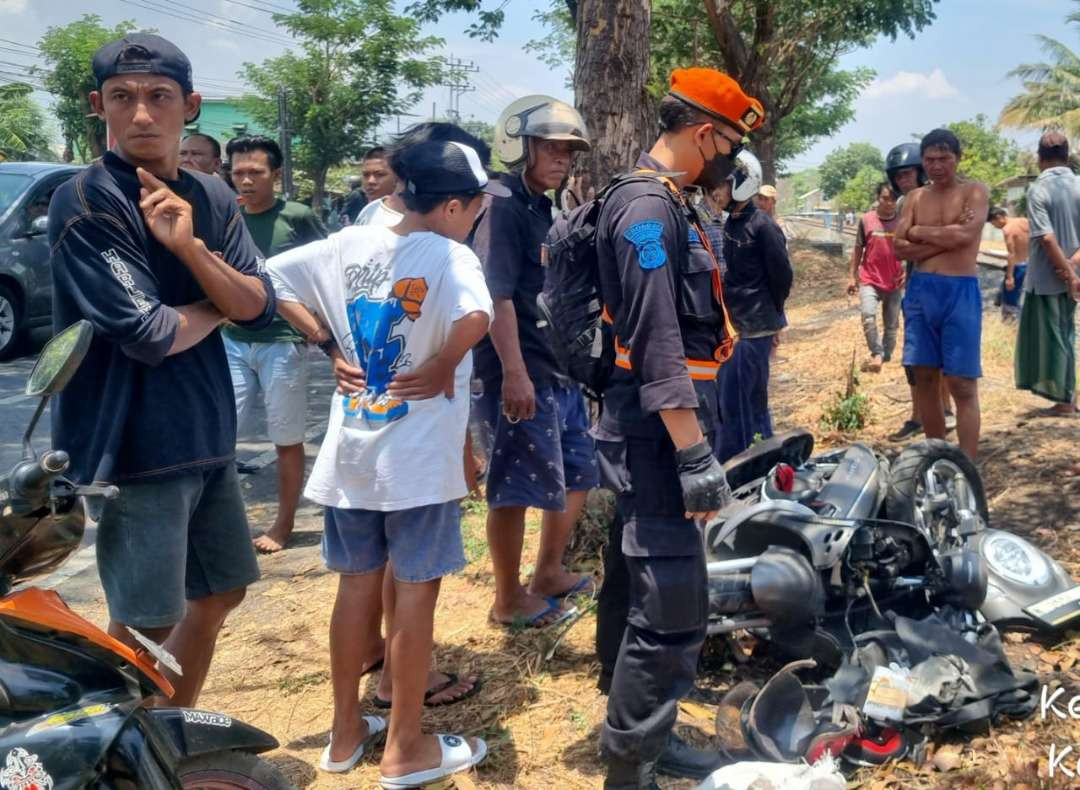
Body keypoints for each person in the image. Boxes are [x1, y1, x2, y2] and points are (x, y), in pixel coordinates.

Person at [48, 34, 276, 706]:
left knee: (219, 592)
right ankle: (121, 755)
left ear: (191, 106)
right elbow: (151, 334)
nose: (142, 113)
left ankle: (168, 730)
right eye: (123, 98)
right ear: (99, 107)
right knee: (146, 620)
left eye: (159, 97)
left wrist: (192, 250)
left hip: (207, 431)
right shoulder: (87, 201)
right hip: (133, 443)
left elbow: (262, 310)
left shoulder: (211, 194)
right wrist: (221, 298)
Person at [267, 140, 500, 784]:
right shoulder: (451, 255)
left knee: (355, 588)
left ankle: (344, 735)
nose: (478, 216)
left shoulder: (349, 243)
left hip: (353, 452)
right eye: (476, 205)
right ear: (453, 205)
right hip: (417, 460)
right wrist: (442, 365)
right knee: (416, 596)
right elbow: (477, 315)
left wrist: (324, 343)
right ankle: (405, 747)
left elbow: (270, 277)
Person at [593, 67, 757, 788]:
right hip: (658, 433)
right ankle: (631, 766)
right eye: (728, 142)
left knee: (637, 587)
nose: (732, 158)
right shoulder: (647, 212)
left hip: (657, 426)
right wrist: (694, 453)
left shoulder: (670, 204)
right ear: (702, 132)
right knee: (671, 605)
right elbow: (657, 338)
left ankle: (644, 738)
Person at [337, 120, 492, 709]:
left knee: (371, 566)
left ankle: (372, 687)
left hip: (379, 423)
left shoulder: (376, 222)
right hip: (414, 423)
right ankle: (400, 688)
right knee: (412, 570)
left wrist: (331, 350)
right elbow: (466, 322)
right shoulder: (433, 239)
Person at [468, 96, 598, 629]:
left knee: (579, 472)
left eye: (568, 150)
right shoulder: (498, 204)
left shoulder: (540, 206)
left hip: (556, 368)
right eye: (550, 147)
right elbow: (495, 296)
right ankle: (506, 597)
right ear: (517, 145)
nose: (562, 158)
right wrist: (514, 373)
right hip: (516, 372)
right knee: (515, 490)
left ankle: (547, 572)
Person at [222, 135, 328, 553]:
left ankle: (283, 525)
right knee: (218, 434)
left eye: (256, 172)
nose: (246, 180)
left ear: (276, 175)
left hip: (283, 342)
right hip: (231, 341)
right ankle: (223, 525)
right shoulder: (223, 214)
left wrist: (317, 326)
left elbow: (324, 269)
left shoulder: (297, 217)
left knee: (286, 437)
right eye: (239, 172)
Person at [895, 129, 989, 459]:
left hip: (960, 292)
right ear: (923, 161)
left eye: (944, 158)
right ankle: (938, 458)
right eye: (930, 159)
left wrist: (918, 232)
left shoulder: (974, 192)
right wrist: (944, 238)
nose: (937, 166)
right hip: (921, 292)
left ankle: (967, 462)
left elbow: (966, 235)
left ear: (957, 158)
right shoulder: (915, 198)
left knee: (962, 382)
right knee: (924, 377)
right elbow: (898, 247)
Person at [716, 151, 793, 462]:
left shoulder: (763, 226)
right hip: (733, 328)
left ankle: (742, 465)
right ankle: (763, 459)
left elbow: (782, 277)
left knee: (742, 403)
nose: (715, 192)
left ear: (742, 184)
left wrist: (773, 321)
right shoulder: (728, 225)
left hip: (752, 329)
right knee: (743, 401)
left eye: (722, 184)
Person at [884, 142, 956, 441]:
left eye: (908, 174)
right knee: (932, 354)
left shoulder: (912, 202)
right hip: (927, 282)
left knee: (921, 356)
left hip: (927, 286)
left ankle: (925, 415)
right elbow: (905, 248)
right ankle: (941, 411)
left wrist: (918, 247)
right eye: (898, 177)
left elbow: (906, 249)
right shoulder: (927, 198)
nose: (903, 181)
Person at [1015, 132, 1080, 415]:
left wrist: (1066, 274)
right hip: (1073, 274)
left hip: (1047, 279)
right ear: (1066, 156)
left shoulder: (1038, 189)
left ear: (1040, 159)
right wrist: (1074, 267)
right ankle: (1068, 396)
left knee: (1057, 337)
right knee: (1067, 333)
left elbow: (1047, 238)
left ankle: (1065, 401)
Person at [847, 182, 904, 372]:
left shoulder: (903, 221)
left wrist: (907, 271)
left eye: (893, 199)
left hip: (894, 281)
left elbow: (911, 248)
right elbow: (857, 249)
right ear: (877, 198)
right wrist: (852, 277)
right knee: (868, 315)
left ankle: (887, 355)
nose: (889, 203)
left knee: (892, 324)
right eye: (885, 198)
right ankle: (876, 353)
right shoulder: (867, 220)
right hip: (869, 279)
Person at [988, 206, 1030, 321]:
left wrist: (1010, 277)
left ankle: (1009, 322)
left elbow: (1011, 254)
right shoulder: (1024, 221)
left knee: (1011, 295)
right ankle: (1000, 297)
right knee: (1018, 292)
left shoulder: (1007, 229)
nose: (995, 227)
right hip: (1029, 263)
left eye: (993, 224)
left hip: (1018, 266)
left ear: (999, 217)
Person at [353, 146, 399, 225]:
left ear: (398, 177)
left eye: (380, 174)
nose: (370, 181)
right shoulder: (368, 210)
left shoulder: (410, 217)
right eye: (366, 175)